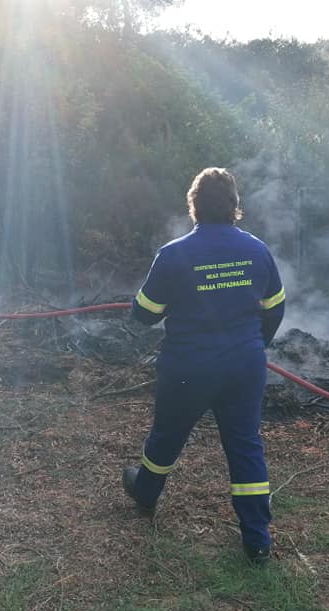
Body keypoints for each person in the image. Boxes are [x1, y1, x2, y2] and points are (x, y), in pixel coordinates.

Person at [122, 167, 286, 566]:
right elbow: (275, 308)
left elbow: (144, 314)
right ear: (234, 207)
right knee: (245, 446)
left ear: (193, 206)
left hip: (187, 368)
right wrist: (254, 346)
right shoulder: (257, 250)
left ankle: (145, 493)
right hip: (243, 367)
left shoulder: (174, 254)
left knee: (167, 435)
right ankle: (258, 542)